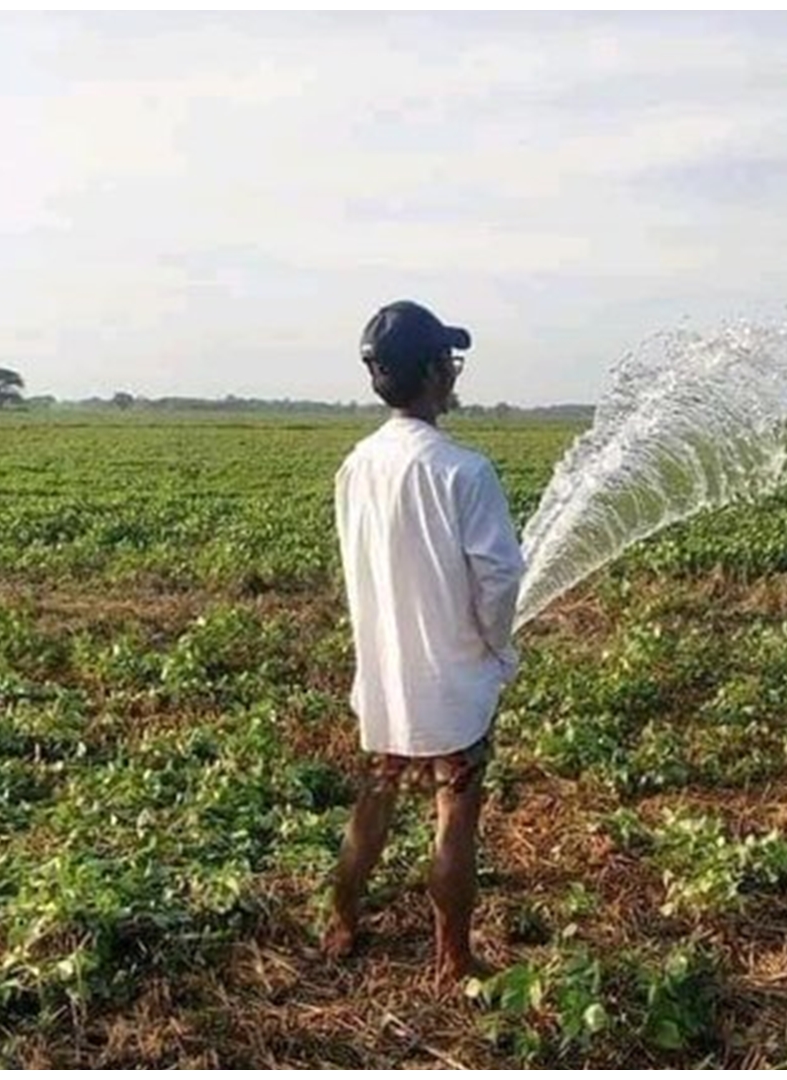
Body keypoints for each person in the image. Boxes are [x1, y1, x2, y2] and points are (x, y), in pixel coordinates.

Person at [325, 299, 525, 986]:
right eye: (451, 361)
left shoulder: (354, 466)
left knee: (375, 799)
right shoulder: (464, 471)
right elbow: (498, 577)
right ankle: (453, 956)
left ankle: (343, 922)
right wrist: (497, 649)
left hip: (383, 679)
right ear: (437, 372)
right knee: (455, 813)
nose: (454, 373)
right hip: (452, 682)